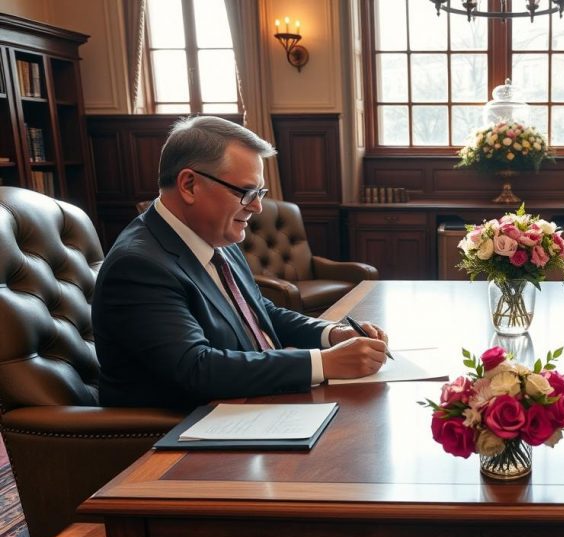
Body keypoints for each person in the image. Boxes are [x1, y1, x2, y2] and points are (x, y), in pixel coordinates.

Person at [93, 116, 389, 410]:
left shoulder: (217, 238)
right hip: (186, 431)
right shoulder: (138, 265)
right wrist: (324, 363)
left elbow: (259, 312)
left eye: (260, 192)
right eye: (246, 192)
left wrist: (332, 333)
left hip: (250, 401)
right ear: (189, 185)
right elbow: (196, 368)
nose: (257, 206)